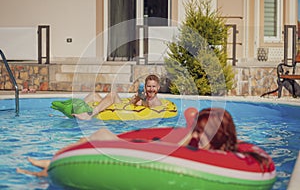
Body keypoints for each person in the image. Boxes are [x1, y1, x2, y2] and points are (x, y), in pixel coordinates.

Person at [16, 108, 270, 177]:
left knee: (102, 135)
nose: (196, 140)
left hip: (153, 157)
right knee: (101, 134)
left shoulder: (231, 156)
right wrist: (191, 129)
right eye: (197, 134)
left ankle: (49, 166)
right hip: (146, 151)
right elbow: (182, 138)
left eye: (201, 136)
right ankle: (52, 163)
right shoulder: (195, 144)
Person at [73, 74, 162, 120]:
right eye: (149, 86)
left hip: (125, 112)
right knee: (94, 95)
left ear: (158, 88)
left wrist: (141, 99)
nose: (151, 89)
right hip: (125, 106)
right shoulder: (145, 96)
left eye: (154, 86)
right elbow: (131, 104)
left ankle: (89, 115)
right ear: (145, 87)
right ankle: (75, 110)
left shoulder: (154, 102)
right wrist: (138, 97)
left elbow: (148, 110)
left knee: (113, 94)